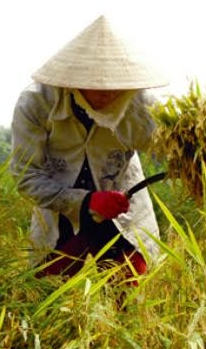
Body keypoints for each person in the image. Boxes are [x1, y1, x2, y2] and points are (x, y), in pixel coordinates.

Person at [10, 15, 168, 285]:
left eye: (115, 86)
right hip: (61, 213)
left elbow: (170, 149)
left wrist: (201, 165)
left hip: (122, 208)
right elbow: (26, 177)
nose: (109, 94)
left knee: (128, 295)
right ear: (74, 81)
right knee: (46, 293)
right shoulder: (37, 103)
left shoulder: (139, 104)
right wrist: (86, 202)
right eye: (99, 86)